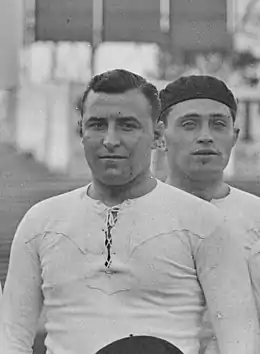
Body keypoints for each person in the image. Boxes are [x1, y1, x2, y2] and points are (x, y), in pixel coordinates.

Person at [0, 69, 259, 354]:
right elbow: (11, 338)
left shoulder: (205, 222)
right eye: (98, 125)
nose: (110, 140)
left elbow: (240, 340)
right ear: (81, 131)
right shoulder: (41, 221)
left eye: (127, 125)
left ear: (156, 134)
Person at [155, 74, 260, 353]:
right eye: (189, 124)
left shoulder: (256, 217)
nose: (205, 136)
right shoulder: (134, 215)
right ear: (160, 136)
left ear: (234, 136)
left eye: (218, 124)